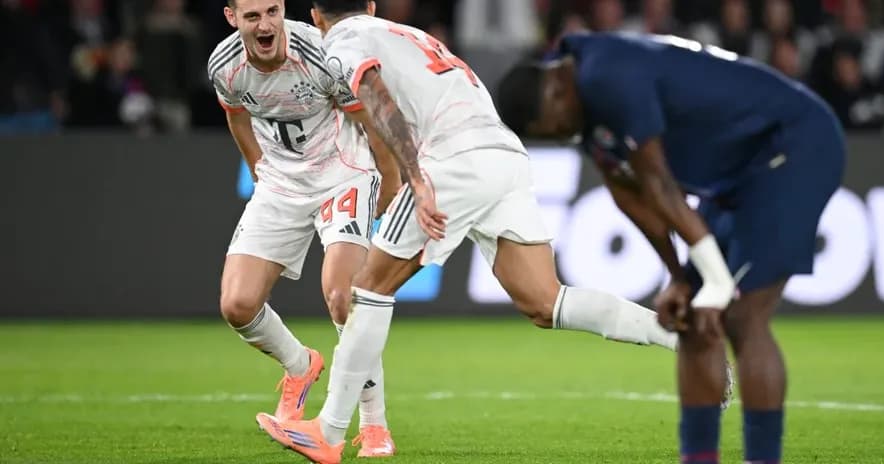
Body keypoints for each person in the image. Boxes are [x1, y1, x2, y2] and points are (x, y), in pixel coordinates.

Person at [253, 2, 703, 463]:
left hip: (452, 159)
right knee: (545, 301)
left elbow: (376, 96)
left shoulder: (344, 41)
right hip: (504, 154)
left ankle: (328, 431)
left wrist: (417, 178)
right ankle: (677, 337)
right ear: (370, 4)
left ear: (314, 16)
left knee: (367, 288)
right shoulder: (406, 34)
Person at [496, 32, 846, 464]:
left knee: (741, 316)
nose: (565, 133)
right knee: (692, 320)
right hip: (737, 172)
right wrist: (679, 278)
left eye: (556, 126)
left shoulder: (606, 73)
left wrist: (715, 281)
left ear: (556, 90)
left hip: (793, 145)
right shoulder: (579, 94)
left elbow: (658, 182)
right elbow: (630, 194)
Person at [210, 0, 400, 456]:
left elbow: (371, 122)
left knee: (342, 296)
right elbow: (236, 115)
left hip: (343, 174)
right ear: (232, 18)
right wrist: (258, 168)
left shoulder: (320, 55)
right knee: (237, 305)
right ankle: (300, 366)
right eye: (252, 16)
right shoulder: (224, 65)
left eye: (272, 11)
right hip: (281, 184)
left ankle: (374, 423)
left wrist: (390, 187)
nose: (265, 24)